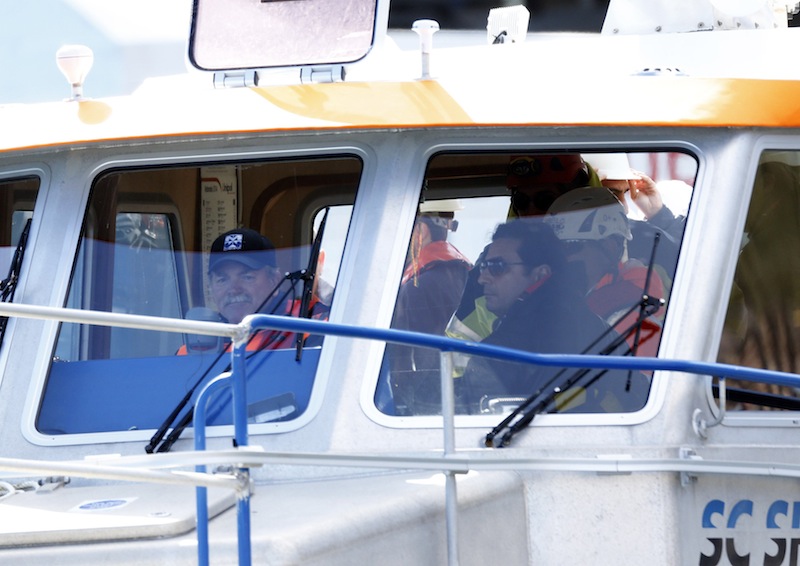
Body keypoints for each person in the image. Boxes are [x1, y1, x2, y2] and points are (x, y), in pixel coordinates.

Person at [457, 220, 645, 415]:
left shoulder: (507, 347)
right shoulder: (595, 327)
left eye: (497, 267)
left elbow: (475, 416)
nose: (482, 278)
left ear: (540, 274)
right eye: (484, 266)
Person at [545, 187, 665, 358]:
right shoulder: (546, 300)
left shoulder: (633, 322)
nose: (559, 258)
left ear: (610, 246)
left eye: (570, 246)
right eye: (553, 250)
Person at [385, 200, 472, 414]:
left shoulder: (416, 285)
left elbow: (410, 360)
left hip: (427, 401)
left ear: (421, 231)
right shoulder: (470, 274)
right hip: (463, 390)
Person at [179, 227, 325, 354]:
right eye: (222, 280)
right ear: (210, 287)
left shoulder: (313, 325)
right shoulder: (192, 348)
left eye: (247, 277)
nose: (234, 290)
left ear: (274, 280)